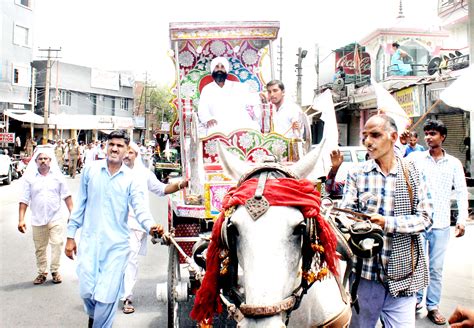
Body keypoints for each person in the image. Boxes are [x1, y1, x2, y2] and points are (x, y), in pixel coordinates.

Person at [340, 114, 432, 327]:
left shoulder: (413, 173)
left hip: (403, 275)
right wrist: (355, 224)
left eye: (375, 135)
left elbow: (425, 219)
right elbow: (345, 215)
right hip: (365, 276)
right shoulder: (356, 174)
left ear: (393, 136)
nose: (368, 142)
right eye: (364, 136)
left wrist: (386, 223)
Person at [64, 130, 163, 328]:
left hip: (116, 247)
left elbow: (140, 209)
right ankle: (95, 319)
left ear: (127, 150)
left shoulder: (131, 179)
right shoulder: (90, 170)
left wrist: (151, 227)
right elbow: (80, 204)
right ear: (105, 146)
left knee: (107, 297)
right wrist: (70, 235)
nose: (115, 148)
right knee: (86, 292)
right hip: (90, 243)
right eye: (112, 144)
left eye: (120, 145)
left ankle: (99, 324)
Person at [408, 119, 468, 325]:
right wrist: (402, 142)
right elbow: (398, 164)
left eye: (433, 133)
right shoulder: (416, 159)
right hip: (419, 222)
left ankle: (432, 305)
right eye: (426, 133)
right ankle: (415, 301)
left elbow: (461, 192)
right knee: (417, 264)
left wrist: (461, 220)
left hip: (441, 224)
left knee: (435, 268)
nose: (428, 137)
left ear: (442, 137)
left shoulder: (453, 163)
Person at [121, 142, 188, 314]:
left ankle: (127, 296)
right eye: (125, 152)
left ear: (136, 155)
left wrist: (181, 184)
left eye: (130, 152)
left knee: (130, 259)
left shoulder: (143, 174)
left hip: (135, 224)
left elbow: (161, 189)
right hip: (113, 224)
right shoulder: (113, 172)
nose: (127, 155)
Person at [18, 146, 73, 285]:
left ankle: (55, 271)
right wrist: (21, 220)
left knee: (57, 244)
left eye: (45, 159)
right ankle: (42, 272)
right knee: (40, 248)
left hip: (55, 217)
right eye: (40, 159)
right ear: (36, 161)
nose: (43, 161)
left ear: (50, 161)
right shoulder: (30, 179)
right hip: (37, 219)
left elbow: (67, 196)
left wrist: (72, 213)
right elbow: (24, 200)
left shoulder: (58, 177)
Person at [198, 56, 261, 135]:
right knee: (214, 132)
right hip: (218, 122)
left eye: (222, 67)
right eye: (217, 67)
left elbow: (251, 98)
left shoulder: (238, 86)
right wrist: (207, 119)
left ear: (226, 70)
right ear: (212, 70)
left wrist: (261, 96)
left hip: (238, 120)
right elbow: (202, 109)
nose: (220, 70)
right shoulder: (207, 89)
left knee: (253, 128)